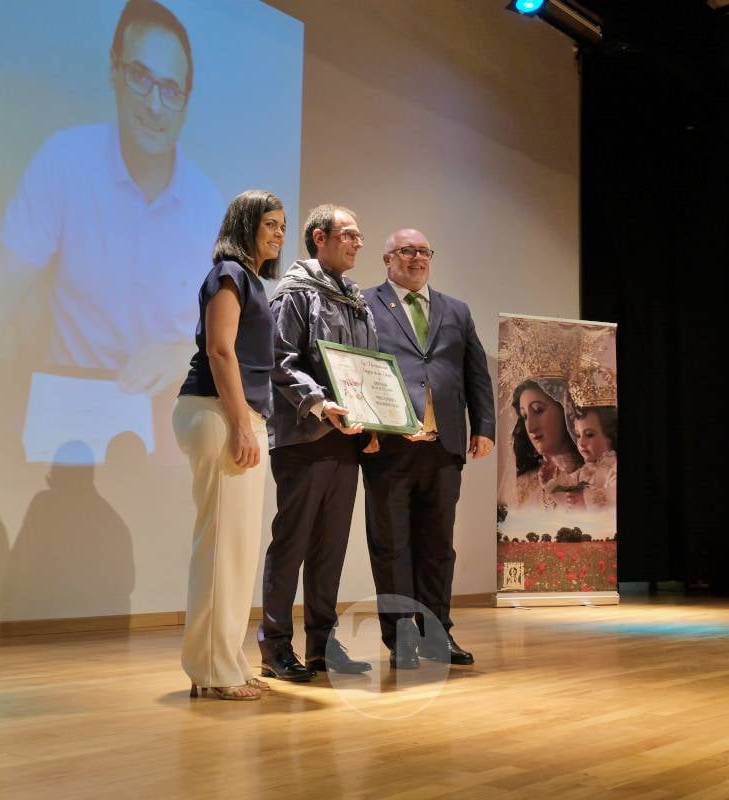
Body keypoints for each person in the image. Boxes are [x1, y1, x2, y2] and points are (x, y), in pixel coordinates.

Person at [0, 0, 225, 431]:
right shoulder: (63, 162)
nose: (154, 105)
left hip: (170, 422)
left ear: (185, 102)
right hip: (68, 411)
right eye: (140, 77)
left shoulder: (209, 205)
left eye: (170, 89)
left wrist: (188, 355)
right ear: (114, 71)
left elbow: (233, 339)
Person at [361, 229, 494, 669]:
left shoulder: (456, 309)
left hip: (444, 448)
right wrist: (368, 429)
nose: (417, 258)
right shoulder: (364, 304)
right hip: (389, 447)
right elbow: (356, 369)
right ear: (387, 258)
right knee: (392, 547)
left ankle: (438, 635)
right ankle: (400, 639)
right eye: (407, 251)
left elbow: (475, 372)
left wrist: (485, 426)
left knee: (439, 548)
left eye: (423, 251)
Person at [172, 189, 285, 701]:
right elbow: (220, 349)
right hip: (220, 413)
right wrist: (241, 423)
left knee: (235, 548)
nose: (278, 233)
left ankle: (226, 661)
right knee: (222, 548)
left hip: (234, 415)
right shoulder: (229, 273)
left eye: (283, 225)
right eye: (269, 223)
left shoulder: (251, 280)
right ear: (244, 224)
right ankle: (214, 669)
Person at [258, 204, 378, 681]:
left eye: (358, 235)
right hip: (304, 435)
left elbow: (367, 369)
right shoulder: (294, 293)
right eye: (348, 234)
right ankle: (274, 645)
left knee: (331, 546)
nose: (357, 243)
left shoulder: (354, 298)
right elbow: (279, 360)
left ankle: (323, 647)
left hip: (345, 440)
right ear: (319, 237)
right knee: (293, 543)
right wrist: (320, 403)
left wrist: (374, 423)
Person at [510, 378, 584, 511]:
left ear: (565, 410)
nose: (530, 427)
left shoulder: (596, 476)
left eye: (538, 410)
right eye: (525, 416)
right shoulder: (523, 486)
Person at [571, 405, 618, 507]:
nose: (581, 443)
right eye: (578, 435)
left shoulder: (613, 468)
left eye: (589, 435)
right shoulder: (580, 473)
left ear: (608, 436)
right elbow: (565, 495)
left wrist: (585, 498)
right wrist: (551, 483)